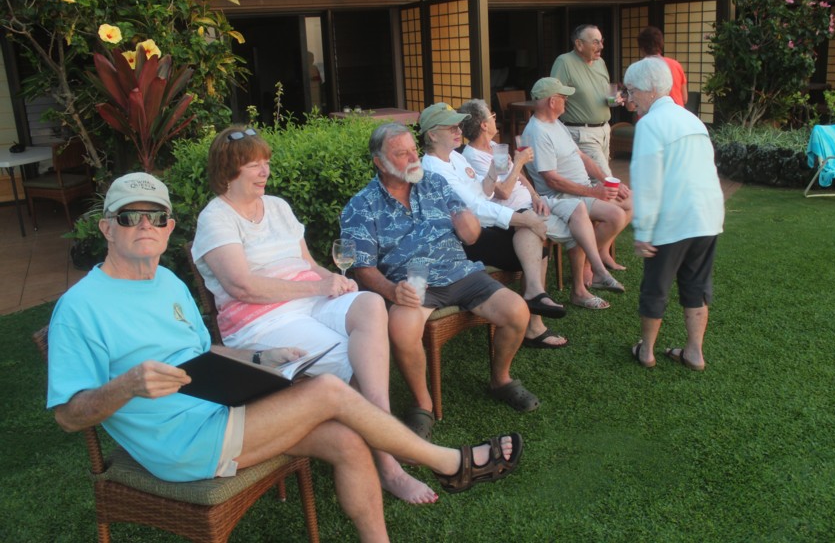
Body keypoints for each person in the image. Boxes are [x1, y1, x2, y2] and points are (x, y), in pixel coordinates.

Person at [47, 172, 523, 542]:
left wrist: (260, 356)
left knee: (346, 441)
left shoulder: (167, 283)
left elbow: (203, 353)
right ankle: (448, 462)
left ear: (170, 227)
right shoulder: (80, 308)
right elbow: (68, 416)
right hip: (180, 443)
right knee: (328, 391)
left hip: (219, 409)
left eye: (155, 216)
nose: (144, 226)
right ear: (107, 228)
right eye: (129, 217)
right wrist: (127, 385)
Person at [190, 126, 436, 504]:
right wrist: (318, 288)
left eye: (266, 162)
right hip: (263, 321)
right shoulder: (216, 219)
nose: (264, 171)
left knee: (370, 303)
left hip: (310, 301)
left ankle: (383, 429)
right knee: (350, 354)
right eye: (254, 165)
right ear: (228, 171)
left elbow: (307, 263)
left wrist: (333, 280)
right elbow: (242, 287)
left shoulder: (277, 206)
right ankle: (389, 464)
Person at [341, 122, 540, 440]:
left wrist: (469, 225)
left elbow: (471, 235)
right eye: (402, 154)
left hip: (460, 272)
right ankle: (423, 404)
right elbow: (362, 267)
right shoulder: (361, 206)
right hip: (413, 284)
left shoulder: (434, 182)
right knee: (402, 329)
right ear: (380, 162)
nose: (413, 158)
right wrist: (392, 290)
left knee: (517, 311)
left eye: (413, 150)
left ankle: (501, 380)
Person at [418, 102, 569, 349]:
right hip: (460, 239)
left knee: (529, 233)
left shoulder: (454, 156)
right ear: (432, 135)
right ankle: (534, 318)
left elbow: (482, 191)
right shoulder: (434, 169)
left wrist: (493, 170)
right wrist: (524, 218)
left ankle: (534, 300)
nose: (459, 131)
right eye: (451, 127)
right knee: (531, 238)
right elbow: (474, 208)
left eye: (458, 126)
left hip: (480, 227)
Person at [458, 98, 621, 311]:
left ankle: (598, 271)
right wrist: (519, 162)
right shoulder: (472, 157)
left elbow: (520, 178)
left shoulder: (495, 147)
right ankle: (580, 291)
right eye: (492, 116)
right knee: (579, 232)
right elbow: (503, 192)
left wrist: (535, 195)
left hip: (532, 202)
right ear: (483, 125)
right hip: (516, 212)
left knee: (577, 208)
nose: (495, 119)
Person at [624, 57, 724, 371]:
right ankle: (694, 352)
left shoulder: (650, 124)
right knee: (696, 284)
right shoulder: (692, 120)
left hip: (673, 218)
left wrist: (643, 231)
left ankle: (646, 352)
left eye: (632, 91)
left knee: (656, 286)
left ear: (650, 89)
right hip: (707, 215)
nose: (630, 99)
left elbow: (647, 180)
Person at [521, 77, 632, 284]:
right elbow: (552, 181)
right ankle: (588, 264)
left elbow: (583, 157)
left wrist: (608, 180)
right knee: (616, 216)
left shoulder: (556, 123)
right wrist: (594, 192)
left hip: (583, 189)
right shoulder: (537, 132)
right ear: (552, 101)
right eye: (563, 97)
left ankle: (599, 253)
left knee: (631, 200)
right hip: (563, 197)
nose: (567, 101)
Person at [550, 24, 623, 182]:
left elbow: (604, 90)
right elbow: (553, 96)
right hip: (581, 133)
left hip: (604, 130)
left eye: (601, 41)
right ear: (579, 44)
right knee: (606, 179)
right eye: (595, 42)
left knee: (596, 181)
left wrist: (614, 98)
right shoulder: (564, 62)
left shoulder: (600, 62)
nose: (601, 46)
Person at [637, 26, 688, 108]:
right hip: (677, 112)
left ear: (642, 48)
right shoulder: (676, 65)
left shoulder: (640, 69)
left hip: (653, 113)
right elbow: (684, 98)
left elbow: (633, 104)